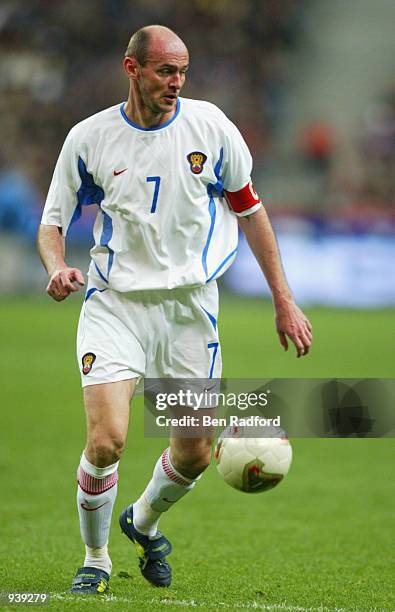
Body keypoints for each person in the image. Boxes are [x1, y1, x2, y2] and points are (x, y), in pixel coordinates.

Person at [37, 25, 312, 595]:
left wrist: (283, 300)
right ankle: (96, 559)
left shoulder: (211, 128)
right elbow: (52, 222)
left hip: (189, 311)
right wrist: (56, 267)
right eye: (165, 70)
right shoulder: (89, 139)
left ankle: (143, 521)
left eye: (183, 71)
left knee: (193, 454)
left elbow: (251, 212)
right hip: (115, 306)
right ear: (132, 69)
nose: (176, 82)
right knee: (108, 439)